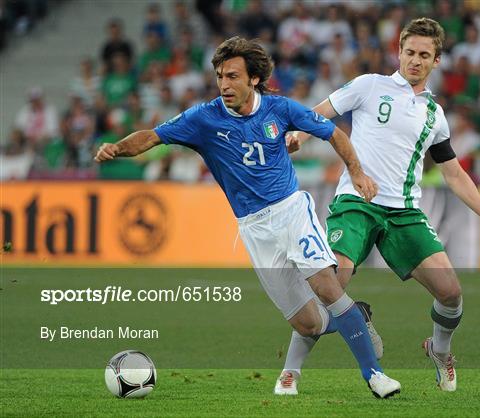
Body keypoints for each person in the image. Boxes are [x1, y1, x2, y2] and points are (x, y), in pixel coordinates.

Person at [95, 36, 401, 399]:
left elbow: (333, 132)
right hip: (254, 229)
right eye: (221, 76)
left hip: (292, 211)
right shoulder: (203, 118)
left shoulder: (280, 109)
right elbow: (153, 136)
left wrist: (358, 172)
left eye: (233, 77)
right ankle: (358, 318)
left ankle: (375, 376)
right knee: (308, 323)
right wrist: (118, 148)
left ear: (254, 78)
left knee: (328, 288)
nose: (224, 84)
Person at [279, 18, 480, 394]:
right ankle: (290, 373)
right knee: (332, 281)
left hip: (404, 213)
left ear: (437, 60)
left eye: (424, 55)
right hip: (357, 202)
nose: (415, 61)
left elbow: (453, 174)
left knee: (451, 293)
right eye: (409, 52)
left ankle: (439, 350)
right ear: (399, 52)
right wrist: (298, 137)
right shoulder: (370, 85)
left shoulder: (435, 116)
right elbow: (318, 113)